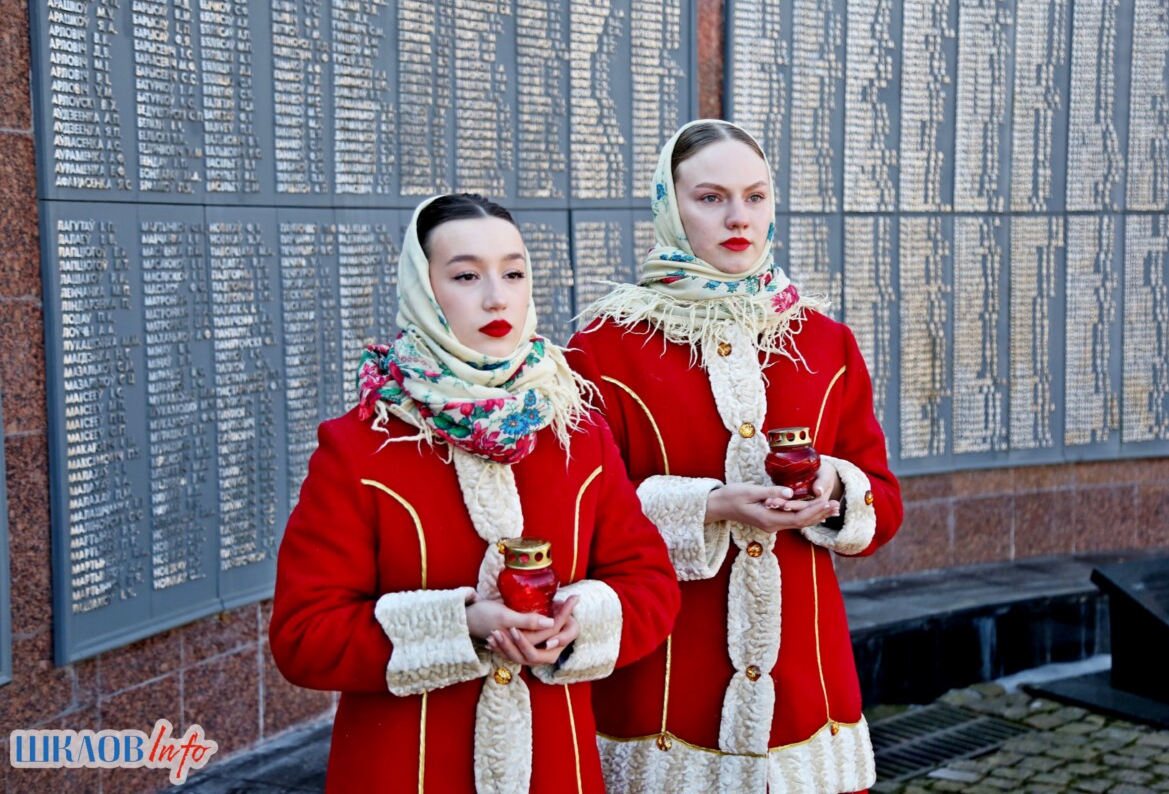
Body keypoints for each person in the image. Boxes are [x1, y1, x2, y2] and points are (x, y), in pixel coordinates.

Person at [270, 193, 680, 794]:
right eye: (466, 275)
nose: (497, 297)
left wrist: (578, 623)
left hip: (554, 768)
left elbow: (650, 584)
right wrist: (460, 626)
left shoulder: (575, 429)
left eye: (513, 272)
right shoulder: (362, 446)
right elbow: (304, 636)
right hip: (404, 771)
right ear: (423, 289)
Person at [567, 120, 903, 793]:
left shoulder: (825, 342)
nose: (738, 218)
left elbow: (885, 503)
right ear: (669, 204)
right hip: (662, 683)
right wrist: (708, 505)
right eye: (711, 198)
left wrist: (834, 490)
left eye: (755, 196)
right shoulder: (606, 348)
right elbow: (581, 516)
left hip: (808, 692)